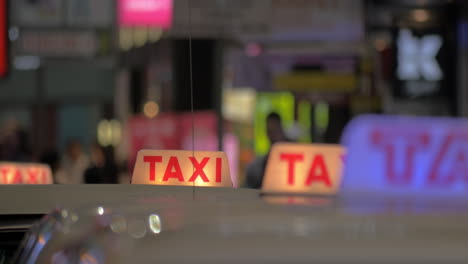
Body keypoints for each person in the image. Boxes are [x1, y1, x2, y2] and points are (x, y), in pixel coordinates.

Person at [244, 112, 289, 189]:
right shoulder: (258, 165)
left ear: (281, 130)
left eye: (275, 130)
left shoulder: (294, 160)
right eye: (270, 131)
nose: (273, 135)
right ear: (267, 133)